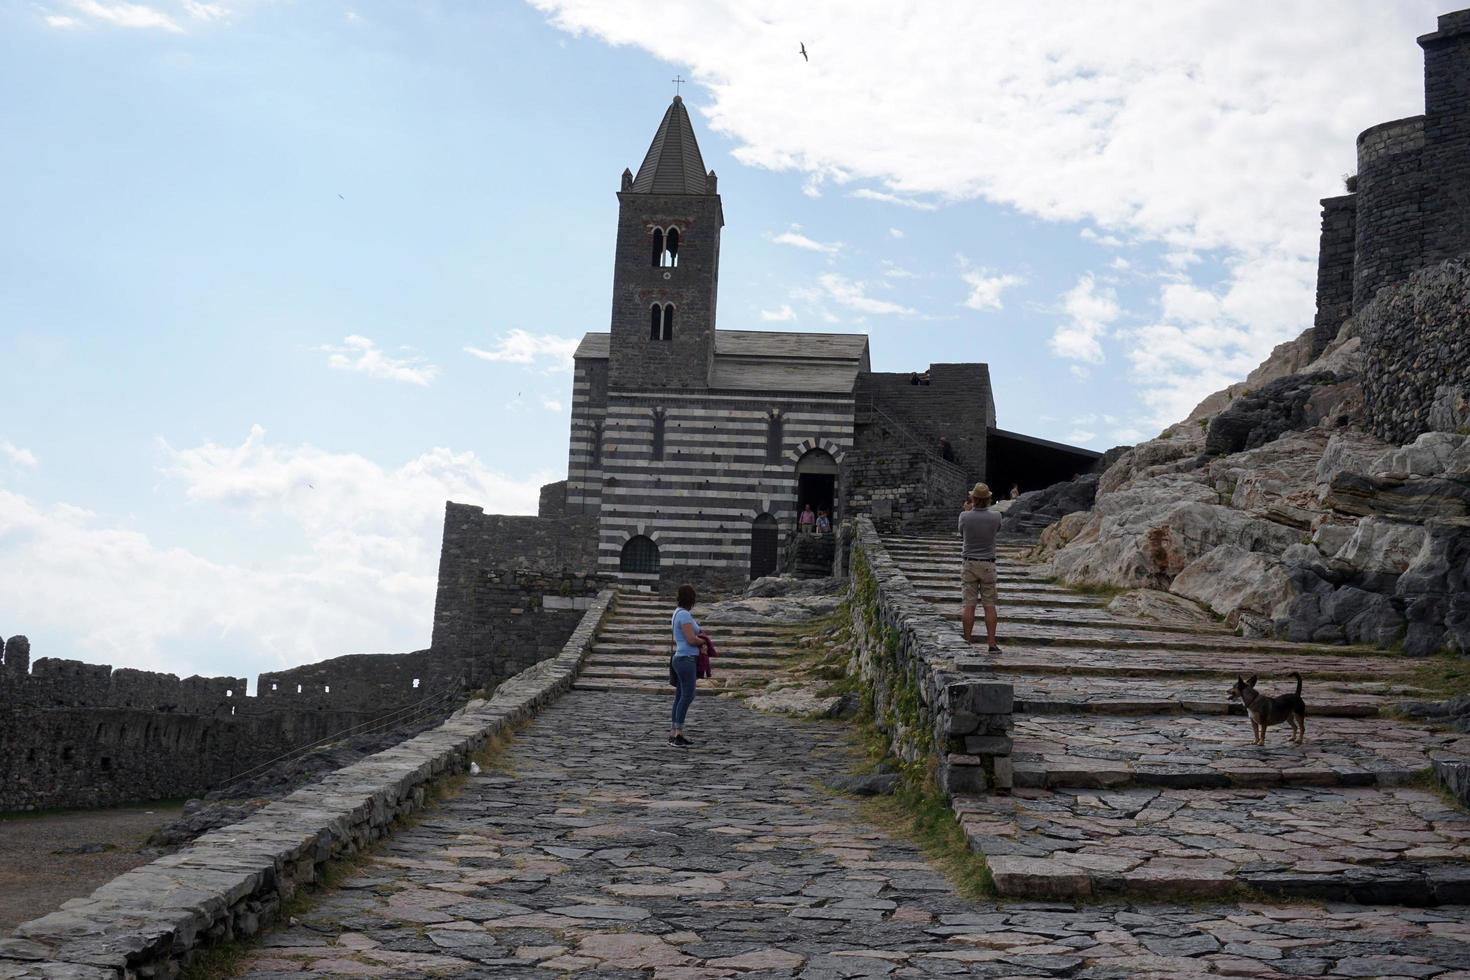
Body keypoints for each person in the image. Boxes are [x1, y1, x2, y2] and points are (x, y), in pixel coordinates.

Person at [958, 482, 1003, 653]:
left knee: (969, 605)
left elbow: (962, 534)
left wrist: (967, 511)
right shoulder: (996, 517)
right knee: (989, 605)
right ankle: (991, 643)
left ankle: (967, 641)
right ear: (989, 499)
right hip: (988, 564)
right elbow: (995, 532)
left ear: (972, 498)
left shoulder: (964, 516)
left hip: (969, 562)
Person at [669, 584, 707, 748]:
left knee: (679, 696)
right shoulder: (684, 615)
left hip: (680, 658)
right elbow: (691, 639)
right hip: (686, 659)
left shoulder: (677, 612)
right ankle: (678, 733)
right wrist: (703, 642)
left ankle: (674, 732)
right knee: (688, 695)